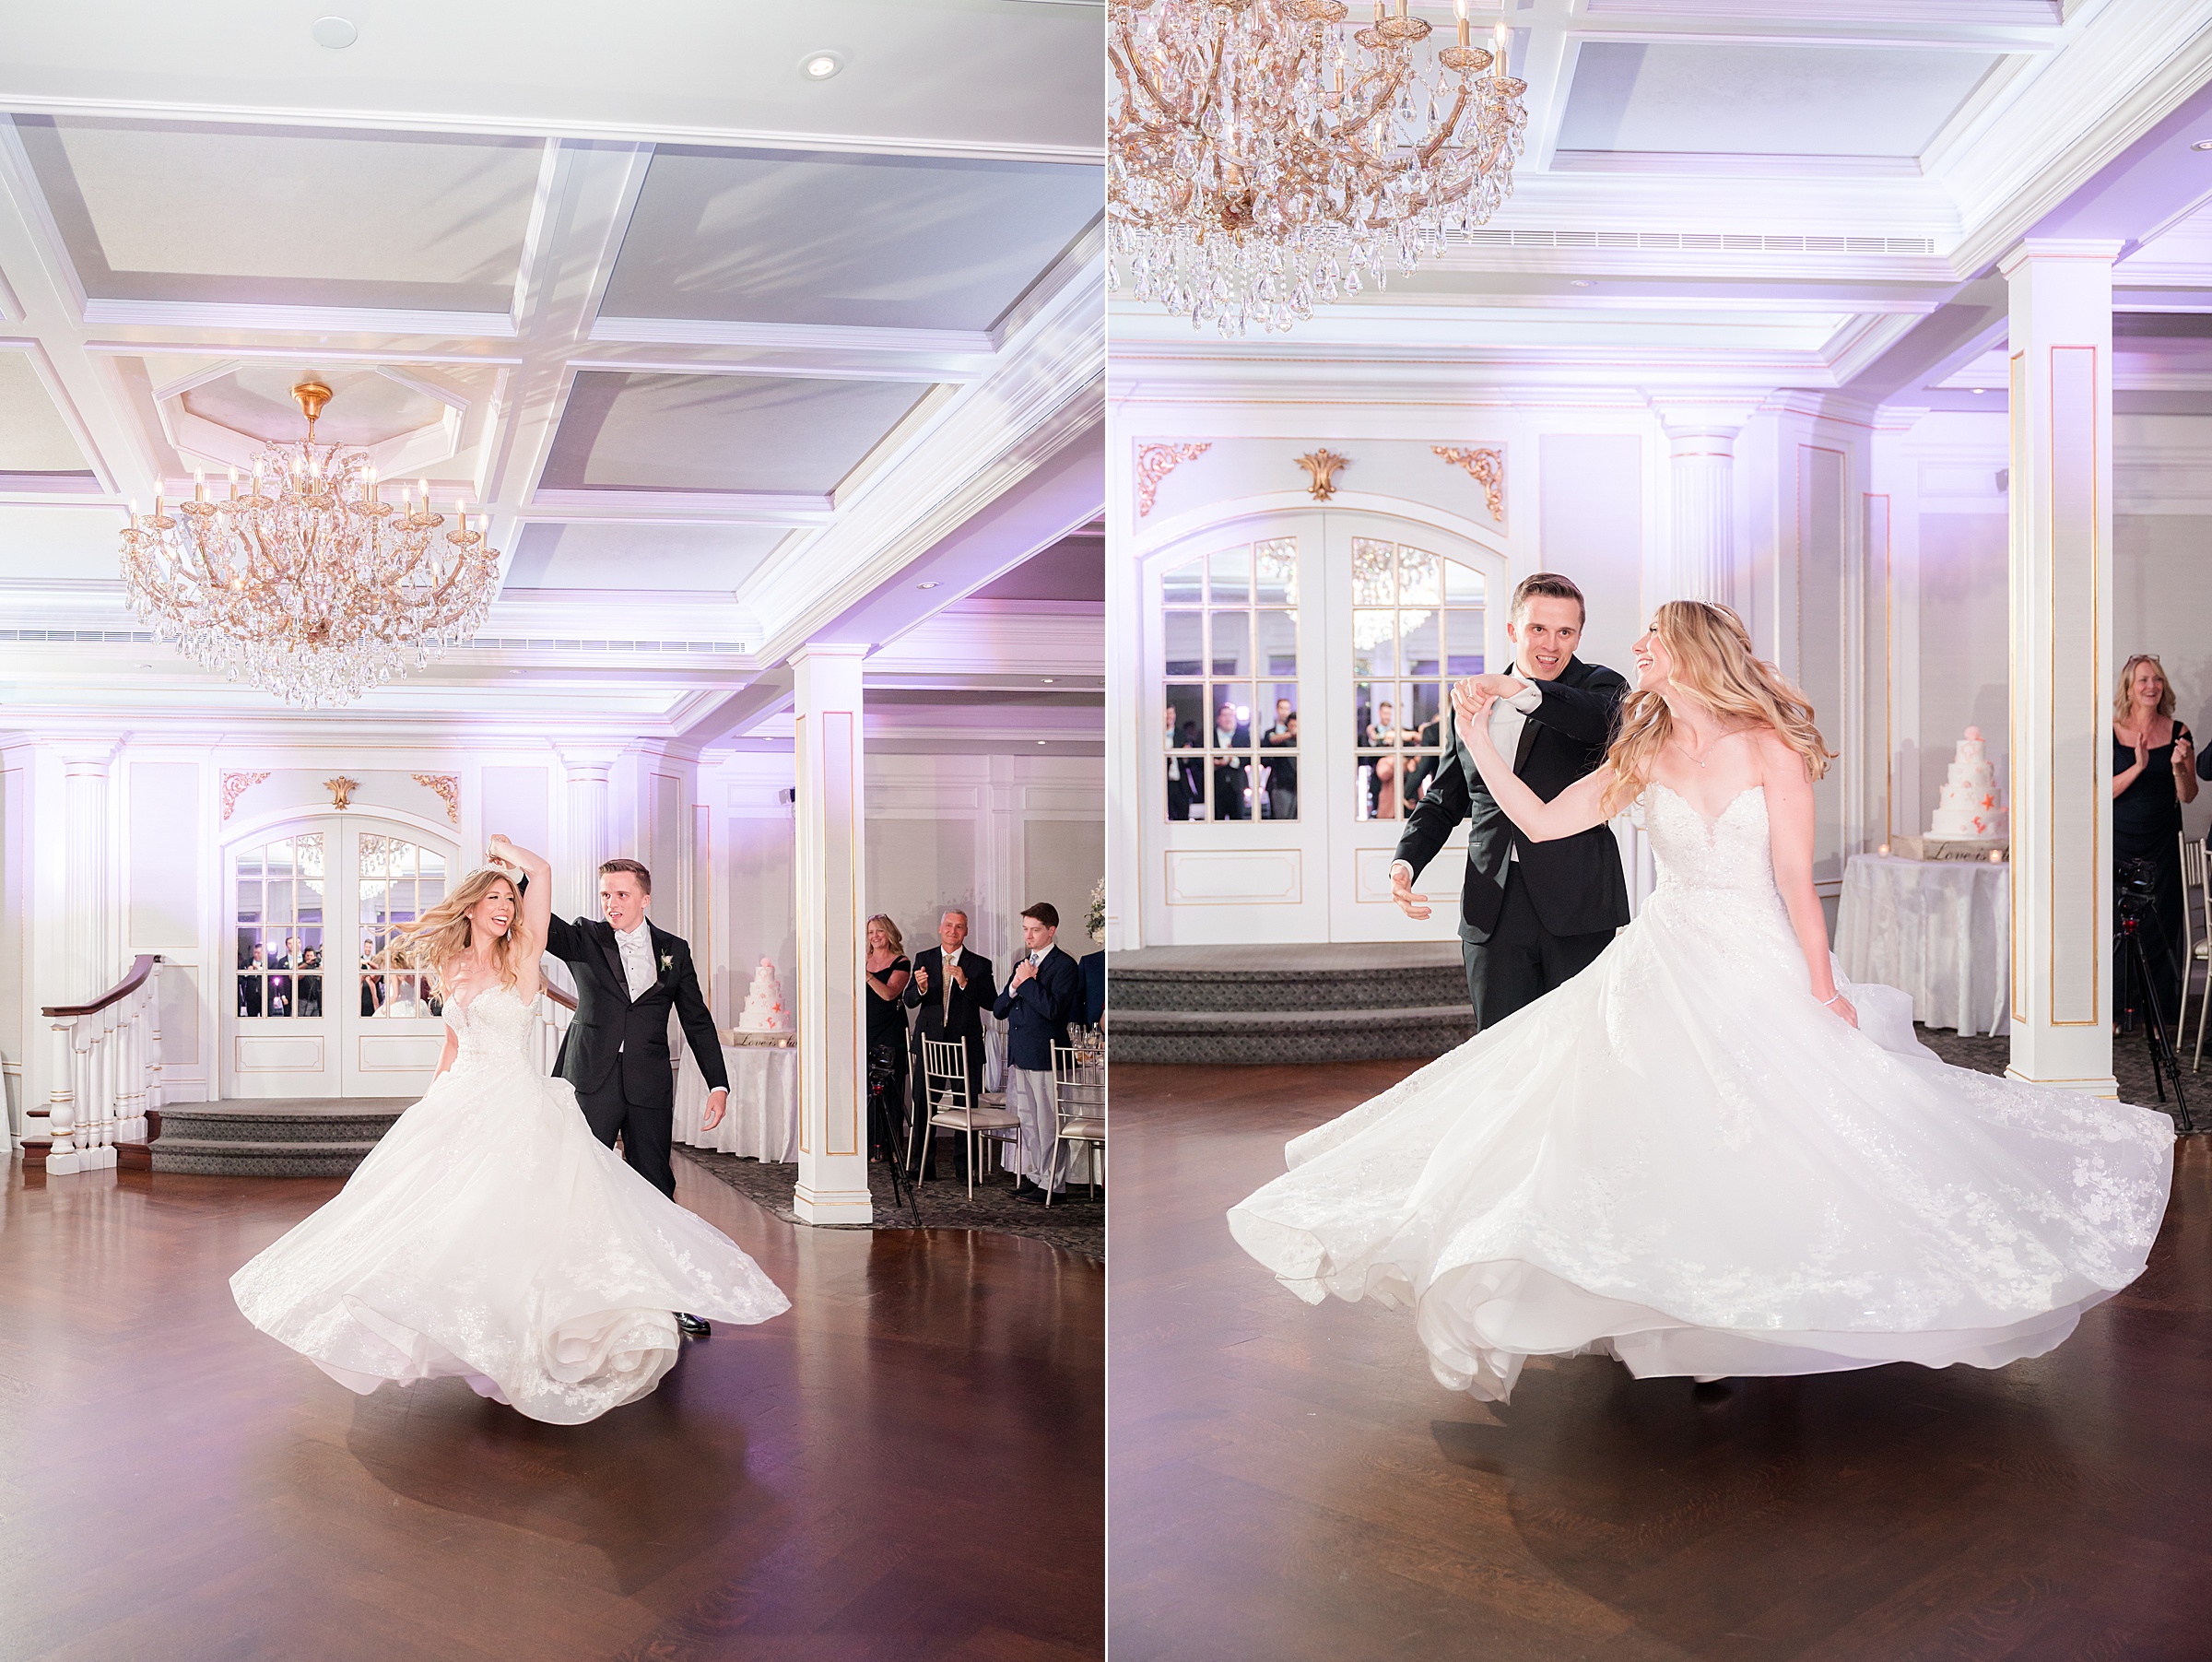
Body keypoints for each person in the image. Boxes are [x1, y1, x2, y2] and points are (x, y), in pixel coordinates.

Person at [1230, 600, 2174, 1403]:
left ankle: (1773, 1296)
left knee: (1787, 1131)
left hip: (1755, 952)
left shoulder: (1772, 749)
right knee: (1652, 1131)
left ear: (1689, 653)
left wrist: (1824, 989)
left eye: (1651, 638)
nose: (1636, 647)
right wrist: (1477, 735)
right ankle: (1672, 1309)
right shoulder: (1640, 749)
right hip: (1665, 956)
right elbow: (1547, 821)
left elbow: (1799, 887)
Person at [230, 839, 788, 1423]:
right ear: (470, 907)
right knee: (450, 1220)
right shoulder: (453, 964)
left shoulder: (525, 957)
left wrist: (506, 854)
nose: (504, 905)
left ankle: (616, 1305)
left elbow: (543, 875)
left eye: (508, 898)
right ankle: (475, 1328)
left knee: (579, 1203)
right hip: (462, 1102)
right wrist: (429, 1104)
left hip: (528, 1099)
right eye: (491, 898)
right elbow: (451, 1043)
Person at [1389, 572, 1630, 1029]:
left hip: (1577, 902)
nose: (1552, 645)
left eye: (1566, 632)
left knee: (1577, 1046)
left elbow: (1595, 723)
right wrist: (1405, 863)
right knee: (1495, 1053)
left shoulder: (1602, 688)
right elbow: (1444, 799)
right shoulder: (1473, 701)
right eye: (1538, 629)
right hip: (1492, 907)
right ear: (1513, 630)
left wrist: (1513, 691)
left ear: (1579, 635)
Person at [539, 856, 732, 1339]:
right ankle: (575, 1293)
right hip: (591, 1081)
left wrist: (718, 1083)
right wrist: (522, 870)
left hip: (648, 1085)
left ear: (645, 898)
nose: (611, 903)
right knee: (581, 1183)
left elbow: (697, 1020)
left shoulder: (674, 950)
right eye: (605, 894)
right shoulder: (586, 937)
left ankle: (669, 1298)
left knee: (656, 1188)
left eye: (621, 894)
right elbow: (536, 917)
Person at [2112, 654, 2196, 1031]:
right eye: (2144, 680)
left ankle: (2156, 1013)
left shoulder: (2179, 731)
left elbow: (2189, 794)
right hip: (2119, 842)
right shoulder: (2109, 731)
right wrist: (2139, 766)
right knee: (2117, 926)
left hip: (2164, 842)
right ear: (2129, 688)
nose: (2152, 687)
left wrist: (2179, 766)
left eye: (2157, 680)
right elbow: (2097, 793)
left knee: (2161, 923)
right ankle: (2114, 1011)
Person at [994, 902, 1084, 1201]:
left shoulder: (1065, 965)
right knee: (1030, 1122)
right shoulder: (1024, 962)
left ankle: (1054, 1185)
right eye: (1025, 929)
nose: (1028, 935)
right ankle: (1036, 1176)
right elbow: (998, 1010)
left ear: (1051, 931)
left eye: (1034, 930)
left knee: (1049, 1124)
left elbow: (1054, 1011)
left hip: (1048, 1057)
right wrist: (1013, 987)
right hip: (1022, 1055)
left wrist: (1029, 982)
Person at [905, 909, 997, 1179]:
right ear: (940, 928)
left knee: (965, 1105)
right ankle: (922, 1166)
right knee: (922, 1103)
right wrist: (920, 988)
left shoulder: (979, 964)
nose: (953, 931)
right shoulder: (924, 959)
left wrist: (965, 982)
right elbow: (910, 1000)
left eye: (959, 927)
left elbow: (992, 1003)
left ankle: (965, 1169)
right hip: (929, 1044)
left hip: (965, 1045)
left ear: (965, 932)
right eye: (949, 925)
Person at [864, 914, 913, 1162]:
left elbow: (889, 994)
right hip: (865, 1031)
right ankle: (871, 1147)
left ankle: (891, 1147)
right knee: (867, 1092)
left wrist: (868, 976)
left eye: (880, 931)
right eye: (871, 931)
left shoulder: (901, 962)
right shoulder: (863, 960)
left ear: (889, 933)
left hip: (890, 1033)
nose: (875, 936)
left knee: (890, 1092)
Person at [1211, 701, 1251, 820]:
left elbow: (1248, 758)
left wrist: (1232, 759)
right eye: (1224, 715)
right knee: (1216, 820)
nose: (1228, 718)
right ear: (1218, 718)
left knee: (1238, 819)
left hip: (1237, 786)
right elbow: (1198, 760)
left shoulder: (1243, 735)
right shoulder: (1208, 735)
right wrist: (1215, 763)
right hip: (1216, 785)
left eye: (1231, 715)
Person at [1260, 705, 1298, 819]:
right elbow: (1272, 740)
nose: (1295, 728)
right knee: (1282, 819)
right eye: (1292, 726)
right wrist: (1291, 734)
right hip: (1282, 786)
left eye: (1297, 726)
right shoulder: (1281, 740)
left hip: (1300, 786)